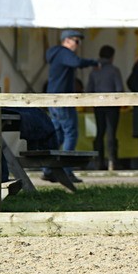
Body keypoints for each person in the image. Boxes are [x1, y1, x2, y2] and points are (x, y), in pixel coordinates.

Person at [44, 29, 97, 187]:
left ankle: (48, 168)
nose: (78, 45)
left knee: (57, 135)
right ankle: (65, 170)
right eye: (76, 41)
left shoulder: (57, 54)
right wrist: (94, 62)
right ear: (67, 40)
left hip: (54, 100)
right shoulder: (64, 53)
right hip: (62, 100)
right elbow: (77, 62)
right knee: (70, 133)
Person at [86, 44, 124, 171]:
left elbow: (89, 90)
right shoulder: (114, 70)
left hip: (98, 105)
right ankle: (112, 161)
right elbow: (119, 89)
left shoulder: (94, 71)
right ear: (112, 56)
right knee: (111, 133)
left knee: (99, 133)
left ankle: (98, 161)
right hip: (112, 106)